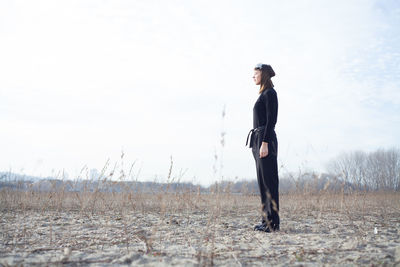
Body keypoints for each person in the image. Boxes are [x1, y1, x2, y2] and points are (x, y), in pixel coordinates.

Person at [245, 63, 280, 232]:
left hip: (265, 139)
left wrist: (265, 142)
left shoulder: (270, 93)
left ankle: (272, 223)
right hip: (258, 139)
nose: (253, 77)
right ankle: (266, 221)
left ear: (263, 75)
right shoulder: (263, 94)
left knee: (269, 182)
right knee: (262, 183)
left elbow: (271, 120)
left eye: (255, 74)